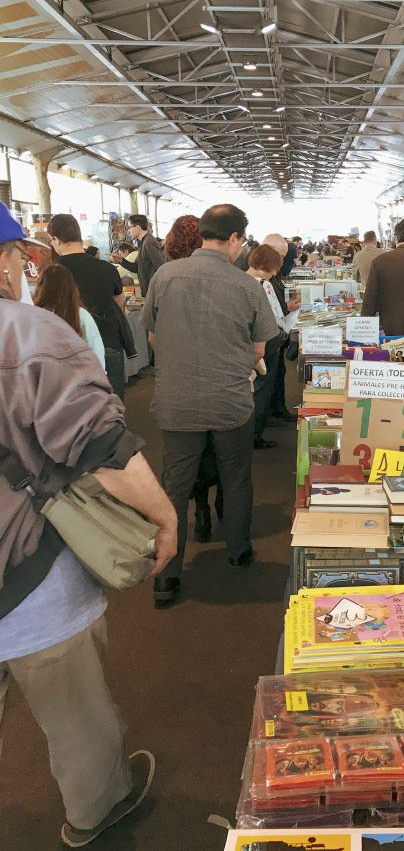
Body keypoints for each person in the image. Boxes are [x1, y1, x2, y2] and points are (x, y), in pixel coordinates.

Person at [0, 203, 177, 850]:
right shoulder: (27, 334)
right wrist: (162, 514)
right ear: (7, 259)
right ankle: (96, 811)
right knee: (73, 710)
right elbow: (98, 446)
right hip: (27, 575)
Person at [141, 204, 278, 608]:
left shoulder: (165, 275)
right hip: (230, 401)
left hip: (176, 402)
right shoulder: (246, 286)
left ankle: (166, 577)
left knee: (174, 487)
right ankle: (238, 551)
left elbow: (152, 338)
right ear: (235, 238)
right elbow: (259, 347)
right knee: (235, 477)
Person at [162, 215, 224, 543]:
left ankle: (194, 518)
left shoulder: (164, 276)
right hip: (220, 384)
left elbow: (155, 338)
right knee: (224, 457)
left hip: (178, 387)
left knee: (181, 471)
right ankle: (228, 523)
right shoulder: (227, 276)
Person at [48, 213, 135, 398]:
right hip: (110, 342)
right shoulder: (107, 268)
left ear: (56, 239)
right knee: (113, 405)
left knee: (80, 409)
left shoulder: (52, 271)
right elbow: (119, 303)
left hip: (71, 349)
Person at [247, 244, 300, 449]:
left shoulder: (242, 281)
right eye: (275, 268)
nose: (276, 273)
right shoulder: (263, 285)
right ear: (268, 266)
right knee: (263, 387)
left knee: (255, 387)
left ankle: (252, 430)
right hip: (267, 342)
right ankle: (255, 435)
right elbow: (275, 315)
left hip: (249, 341)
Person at [33, 263, 106, 369]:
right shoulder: (81, 316)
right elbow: (97, 356)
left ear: (40, 287)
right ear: (71, 286)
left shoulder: (33, 315)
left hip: (43, 379)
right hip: (78, 378)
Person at [262, 233, 301, 423]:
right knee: (267, 378)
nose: (283, 260)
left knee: (278, 373)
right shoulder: (259, 273)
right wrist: (287, 308)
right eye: (281, 255)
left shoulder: (270, 270)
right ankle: (267, 415)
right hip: (268, 334)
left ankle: (277, 408)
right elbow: (265, 306)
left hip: (278, 332)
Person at [125, 214, 166, 296]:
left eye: (129, 227)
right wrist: (121, 261)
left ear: (137, 227)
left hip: (153, 293)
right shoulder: (142, 243)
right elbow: (136, 268)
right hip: (148, 292)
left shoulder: (148, 242)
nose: (128, 231)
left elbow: (161, 266)